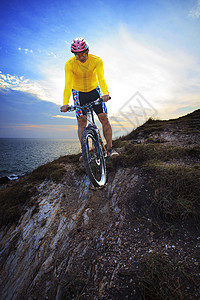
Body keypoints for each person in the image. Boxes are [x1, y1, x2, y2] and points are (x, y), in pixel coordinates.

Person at [60, 37, 118, 157]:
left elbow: (101, 78)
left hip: (94, 91)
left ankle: (110, 149)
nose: (81, 57)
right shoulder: (69, 64)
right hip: (78, 93)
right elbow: (68, 84)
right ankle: (85, 153)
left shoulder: (96, 60)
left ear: (88, 51)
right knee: (81, 122)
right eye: (78, 55)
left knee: (104, 119)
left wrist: (105, 93)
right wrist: (65, 103)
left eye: (83, 54)